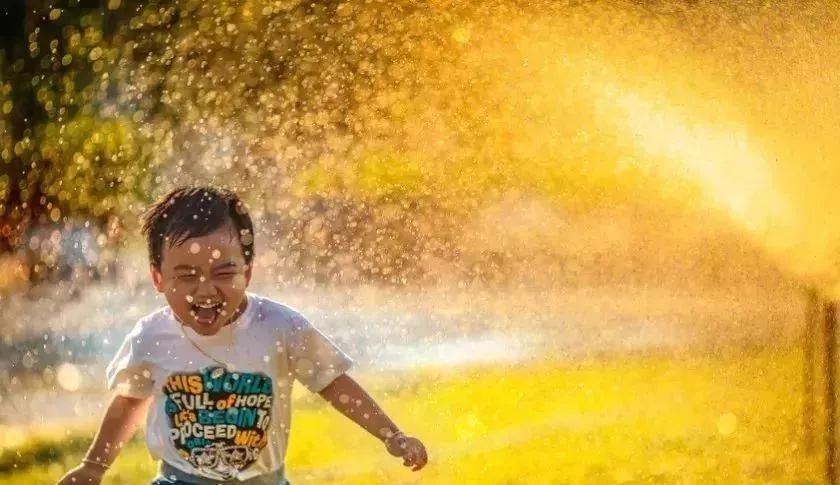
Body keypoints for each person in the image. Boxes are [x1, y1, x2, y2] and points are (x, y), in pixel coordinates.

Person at [58, 186, 428, 485]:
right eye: (186, 275)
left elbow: (333, 382)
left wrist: (391, 435)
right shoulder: (152, 337)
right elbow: (129, 402)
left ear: (248, 272)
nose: (205, 292)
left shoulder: (280, 327)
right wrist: (94, 465)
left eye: (223, 272)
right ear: (158, 278)